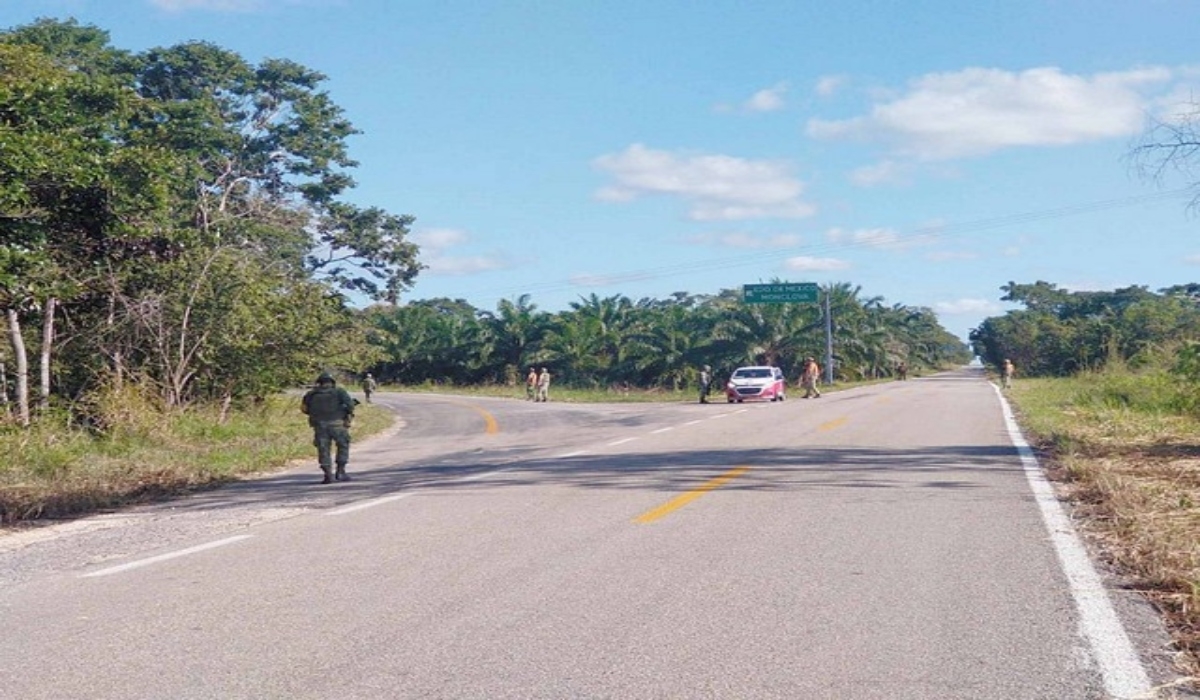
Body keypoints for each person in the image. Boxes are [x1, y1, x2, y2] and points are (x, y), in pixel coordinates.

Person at [301, 371, 356, 484]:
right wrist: (346, 412)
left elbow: (304, 409)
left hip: (320, 426)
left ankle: (328, 475)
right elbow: (350, 406)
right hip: (337, 425)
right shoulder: (339, 392)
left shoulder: (310, 394)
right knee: (343, 446)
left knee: (323, 449)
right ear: (332, 382)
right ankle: (340, 472)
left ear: (319, 383)